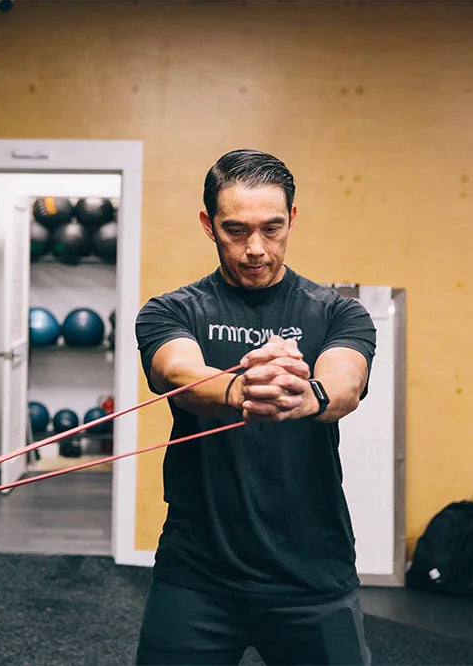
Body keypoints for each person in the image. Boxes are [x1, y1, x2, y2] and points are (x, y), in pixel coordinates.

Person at [134, 149, 377, 665]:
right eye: (236, 230)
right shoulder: (171, 310)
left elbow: (345, 380)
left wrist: (303, 394)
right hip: (197, 575)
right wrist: (245, 389)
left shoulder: (338, 312)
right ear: (208, 225)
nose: (255, 249)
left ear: (292, 218)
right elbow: (178, 372)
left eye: (271, 228)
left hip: (313, 575)